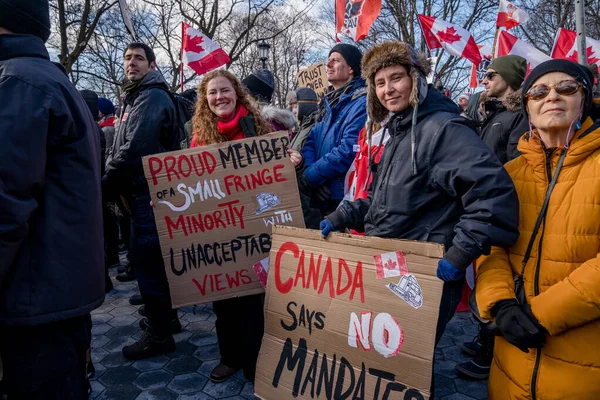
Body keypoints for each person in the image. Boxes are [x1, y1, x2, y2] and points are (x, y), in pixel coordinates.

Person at [319, 41, 519, 350]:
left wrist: (459, 253)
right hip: (391, 267)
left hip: (425, 276)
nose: (389, 89)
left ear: (416, 78)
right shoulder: (400, 131)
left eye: (396, 77)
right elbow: (384, 199)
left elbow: (493, 192)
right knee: (384, 359)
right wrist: (344, 214)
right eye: (380, 82)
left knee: (407, 364)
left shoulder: (443, 128)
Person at [476, 59, 600, 399]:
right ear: (527, 105)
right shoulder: (511, 172)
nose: (552, 98)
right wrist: (499, 303)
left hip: (583, 367)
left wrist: (541, 315)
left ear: (585, 98)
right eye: (539, 91)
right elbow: (491, 244)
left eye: (566, 88)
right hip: (511, 360)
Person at [0, 1, 104, 398]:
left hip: (33, 299)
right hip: (53, 292)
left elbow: (5, 202)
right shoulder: (47, 81)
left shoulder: (17, 83)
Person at [190, 69, 273, 383]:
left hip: (253, 228)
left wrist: (289, 160)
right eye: (212, 93)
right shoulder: (199, 136)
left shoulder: (257, 128)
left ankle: (256, 360)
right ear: (205, 99)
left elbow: (273, 175)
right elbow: (189, 184)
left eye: (224, 90)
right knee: (223, 301)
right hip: (217, 231)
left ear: (237, 93)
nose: (218, 97)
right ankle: (230, 356)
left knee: (252, 301)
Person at [103, 42, 181, 360]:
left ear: (152, 65)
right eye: (127, 58)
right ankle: (167, 319)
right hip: (142, 194)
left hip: (149, 195)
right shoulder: (137, 97)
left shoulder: (151, 97)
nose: (131, 63)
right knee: (151, 263)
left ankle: (159, 334)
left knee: (148, 263)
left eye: (138, 58)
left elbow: (135, 150)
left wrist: (104, 182)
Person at [294, 44, 367, 216]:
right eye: (328, 61)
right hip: (322, 194)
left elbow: (349, 149)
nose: (328, 65)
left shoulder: (362, 103)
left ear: (350, 68)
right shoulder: (327, 105)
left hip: (344, 197)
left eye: (335, 60)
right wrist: (314, 179)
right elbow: (310, 141)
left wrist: (311, 177)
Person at [478, 55, 530, 164]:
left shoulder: (521, 115)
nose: (484, 81)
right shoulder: (492, 112)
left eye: (490, 76)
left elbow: (517, 167)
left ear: (507, 77)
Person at [242, 69, 296, 133]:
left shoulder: (269, 126)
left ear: (256, 98)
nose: (242, 98)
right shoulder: (252, 120)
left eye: (245, 94)